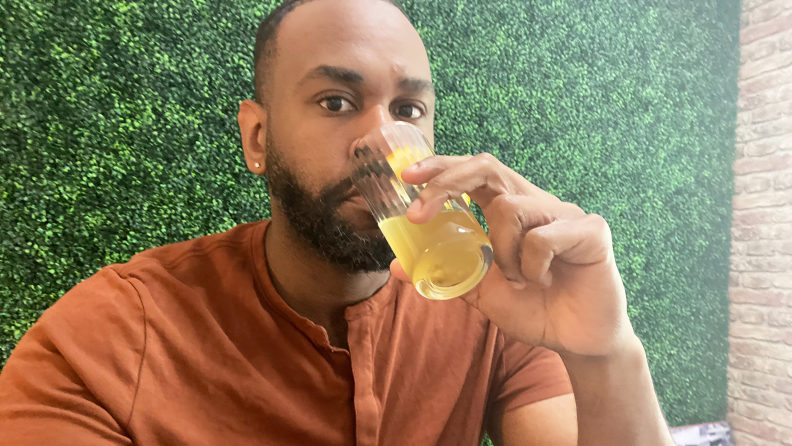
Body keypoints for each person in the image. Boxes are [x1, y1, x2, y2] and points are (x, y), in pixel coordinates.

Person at [0, 0, 676, 444]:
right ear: (257, 138)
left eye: (408, 110)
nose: (380, 141)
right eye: (335, 100)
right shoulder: (106, 342)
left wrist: (604, 353)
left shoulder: (494, 308)